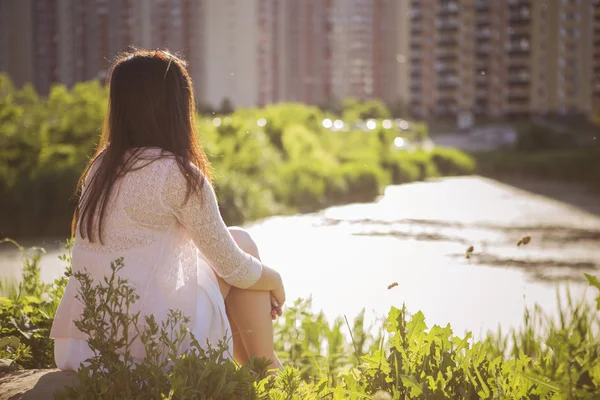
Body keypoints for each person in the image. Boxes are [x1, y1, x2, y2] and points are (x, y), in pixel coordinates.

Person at [50, 49, 285, 371]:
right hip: (149, 349)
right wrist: (276, 281)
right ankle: (265, 369)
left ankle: (253, 369)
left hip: (80, 347)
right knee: (241, 245)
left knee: (231, 251)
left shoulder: (101, 166)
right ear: (177, 105)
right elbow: (235, 269)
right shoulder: (176, 173)